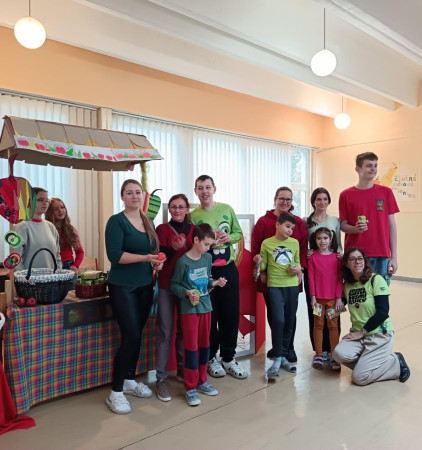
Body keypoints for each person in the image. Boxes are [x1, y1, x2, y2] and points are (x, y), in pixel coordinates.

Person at [105, 179, 164, 415]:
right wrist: (146, 259)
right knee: (130, 336)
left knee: (137, 334)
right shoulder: (116, 221)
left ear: (143, 195)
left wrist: (156, 263)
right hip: (122, 286)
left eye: (138, 192)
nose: (134, 196)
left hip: (144, 285)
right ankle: (115, 392)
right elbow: (115, 255)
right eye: (129, 193)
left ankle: (129, 380)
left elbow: (153, 251)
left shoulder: (148, 221)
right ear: (122, 197)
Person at [190, 175, 248, 379]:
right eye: (200, 188)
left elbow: (237, 233)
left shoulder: (226, 209)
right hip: (204, 272)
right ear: (195, 191)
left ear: (214, 189)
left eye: (208, 187)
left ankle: (229, 358)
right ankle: (211, 357)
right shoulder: (192, 216)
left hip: (228, 269)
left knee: (230, 314)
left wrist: (229, 237)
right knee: (210, 316)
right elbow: (192, 243)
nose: (204, 191)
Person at [332, 247, 410, 385]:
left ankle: (395, 362)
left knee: (359, 378)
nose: (357, 262)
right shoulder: (347, 285)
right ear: (347, 264)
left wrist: (362, 332)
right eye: (352, 259)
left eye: (360, 258)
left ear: (365, 261)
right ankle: (367, 364)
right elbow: (340, 306)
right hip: (359, 336)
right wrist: (323, 313)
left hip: (379, 334)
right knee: (338, 354)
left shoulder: (376, 280)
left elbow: (383, 312)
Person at [171, 223, 227, 406]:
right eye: (206, 244)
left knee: (204, 346)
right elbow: (174, 285)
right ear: (196, 239)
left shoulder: (207, 258)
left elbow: (207, 281)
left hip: (206, 308)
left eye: (210, 245)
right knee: (191, 348)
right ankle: (190, 387)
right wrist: (186, 293)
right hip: (189, 311)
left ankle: (203, 381)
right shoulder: (183, 262)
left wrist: (215, 283)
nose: (208, 248)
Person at [251, 186, 307, 363]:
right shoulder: (263, 222)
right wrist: (262, 271)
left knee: (290, 315)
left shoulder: (298, 222)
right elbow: (256, 248)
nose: (285, 202)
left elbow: (302, 250)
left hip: (291, 278)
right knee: (275, 314)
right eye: (282, 198)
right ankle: (278, 347)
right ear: (275, 199)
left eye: (288, 199)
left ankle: (288, 348)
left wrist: (301, 270)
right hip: (271, 279)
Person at [155, 194, 195, 402]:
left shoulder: (195, 230)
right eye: (173, 207)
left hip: (188, 288)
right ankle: (161, 378)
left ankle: (181, 368)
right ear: (169, 209)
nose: (177, 210)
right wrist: (173, 249)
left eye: (181, 207)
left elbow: (200, 254)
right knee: (165, 331)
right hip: (166, 287)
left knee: (184, 330)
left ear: (187, 209)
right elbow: (159, 257)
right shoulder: (162, 229)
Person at [339, 152, 399, 284]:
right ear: (357, 169)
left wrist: (394, 256)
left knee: (380, 294)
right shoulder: (345, 195)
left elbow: (392, 225)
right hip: (355, 255)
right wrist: (355, 229)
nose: (373, 169)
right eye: (369, 166)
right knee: (356, 293)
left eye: (375, 165)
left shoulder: (386, 192)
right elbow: (343, 225)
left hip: (381, 254)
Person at [259, 212, 301, 380]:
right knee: (278, 320)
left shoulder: (294, 243)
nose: (290, 230)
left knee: (289, 321)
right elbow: (263, 265)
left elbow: (298, 262)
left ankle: (283, 356)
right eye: (287, 226)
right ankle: (277, 357)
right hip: (275, 285)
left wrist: (297, 269)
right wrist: (258, 263)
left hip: (292, 286)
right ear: (277, 225)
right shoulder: (267, 243)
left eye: (292, 228)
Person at [304, 187, 342, 359]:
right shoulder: (307, 221)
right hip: (315, 270)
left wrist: (340, 255)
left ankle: (333, 351)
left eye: (325, 199)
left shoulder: (335, 220)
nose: (322, 202)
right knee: (317, 319)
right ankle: (319, 351)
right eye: (318, 199)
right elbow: (303, 242)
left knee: (333, 320)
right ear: (313, 201)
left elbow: (338, 243)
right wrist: (307, 253)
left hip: (332, 272)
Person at [308, 227, 343, 371]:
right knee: (318, 325)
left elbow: (340, 279)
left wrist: (339, 298)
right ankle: (319, 354)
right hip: (318, 301)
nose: (322, 241)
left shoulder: (337, 258)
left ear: (330, 239)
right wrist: (313, 297)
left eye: (325, 238)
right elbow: (311, 278)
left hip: (333, 300)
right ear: (315, 240)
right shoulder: (312, 257)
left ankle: (334, 355)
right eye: (319, 238)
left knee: (333, 326)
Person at [15, 188, 62, 270]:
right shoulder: (22, 227)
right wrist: (24, 277)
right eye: (40, 200)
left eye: (47, 200)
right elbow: (16, 259)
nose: (45, 203)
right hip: (29, 277)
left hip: (51, 277)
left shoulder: (51, 227)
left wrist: (57, 273)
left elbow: (57, 255)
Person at [45, 197, 85, 273]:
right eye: (56, 209)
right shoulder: (47, 229)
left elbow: (80, 252)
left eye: (62, 207)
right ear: (50, 212)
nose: (60, 211)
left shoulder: (71, 230)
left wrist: (75, 266)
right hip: (52, 266)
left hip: (68, 265)